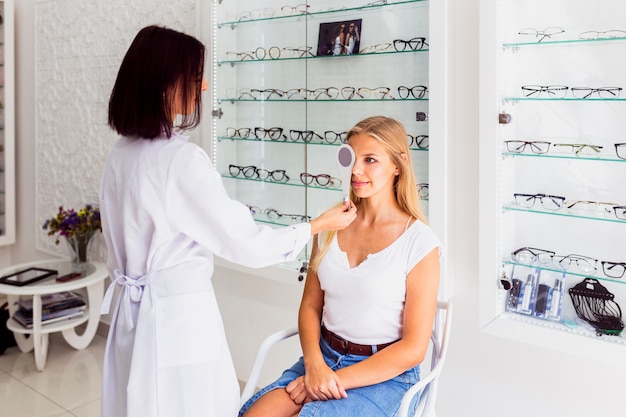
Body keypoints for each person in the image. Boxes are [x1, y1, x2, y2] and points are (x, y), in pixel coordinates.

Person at [99, 25, 356, 417]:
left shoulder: (121, 154)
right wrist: (315, 226)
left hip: (133, 319)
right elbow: (246, 244)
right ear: (167, 83)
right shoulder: (180, 162)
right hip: (174, 320)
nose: (203, 89)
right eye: (196, 77)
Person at [239, 116, 442, 417]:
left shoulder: (420, 242)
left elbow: (413, 348)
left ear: (398, 165)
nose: (356, 171)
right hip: (322, 357)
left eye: (370, 160)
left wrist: (325, 382)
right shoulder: (331, 225)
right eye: (351, 158)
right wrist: (314, 365)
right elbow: (310, 307)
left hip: (384, 376)